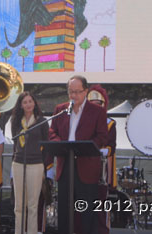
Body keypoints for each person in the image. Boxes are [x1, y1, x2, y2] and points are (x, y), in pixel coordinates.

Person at [49, 75, 108, 234]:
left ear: (86, 91)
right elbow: (52, 131)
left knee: (87, 210)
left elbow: (102, 136)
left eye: (77, 92)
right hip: (65, 164)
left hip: (86, 165)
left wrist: (85, 146)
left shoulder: (97, 112)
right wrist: (58, 143)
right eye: (70, 92)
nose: (73, 95)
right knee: (64, 208)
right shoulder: (60, 109)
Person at [10, 92, 49, 234]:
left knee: (33, 205)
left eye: (30, 101)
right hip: (18, 163)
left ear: (34, 103)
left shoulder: (42, 121)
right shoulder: (15, 121)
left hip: (36, 164)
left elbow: (47, 145)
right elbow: (15, 143)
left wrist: (43, 164)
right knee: (19, 205)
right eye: (25, 102)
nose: (28, 104)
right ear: (20, 105)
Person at [85, 85, 116, 234]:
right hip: (83, 168)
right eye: (92, 104)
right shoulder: (82, 121)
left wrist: (98, 150)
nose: (95, 107)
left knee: (100, 206)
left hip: (101, 170)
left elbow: (112, 147)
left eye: (98, 104)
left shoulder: (110, 123)